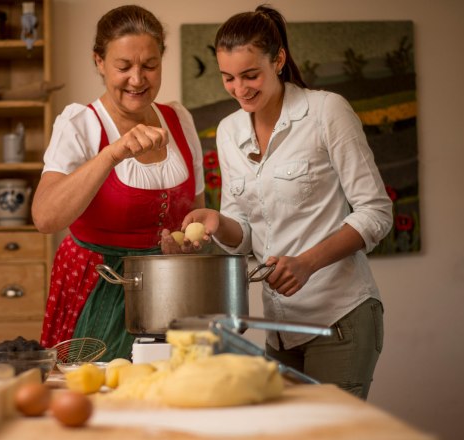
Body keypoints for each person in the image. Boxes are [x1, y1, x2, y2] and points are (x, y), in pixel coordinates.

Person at [162, 5, 393, 399]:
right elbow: (245, 233)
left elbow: (376, 212)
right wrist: (218, 221)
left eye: (251, 75)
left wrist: (307, 263)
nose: (240, 89)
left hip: (339, 319)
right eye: (228, 78)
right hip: (279, 330)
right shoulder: (229, 130)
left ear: (279, 59)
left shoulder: (326, 111)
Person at [32, 5, 205, 360]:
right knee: (99, 400)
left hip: (170, 292)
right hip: (98, 289)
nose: (137, 79)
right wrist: (111, 154)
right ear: (99, 62)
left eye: (150, 65)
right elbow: (45, 218)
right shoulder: (80, 124)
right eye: (123, 66)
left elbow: (198, 212)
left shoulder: (179, 119)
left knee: (169, 401)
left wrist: (189, 241)